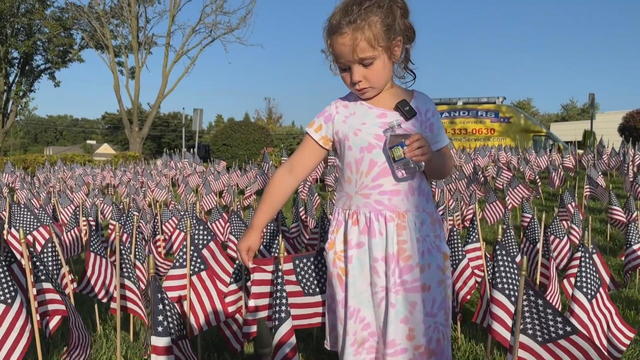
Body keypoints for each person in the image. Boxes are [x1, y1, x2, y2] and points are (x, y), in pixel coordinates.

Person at [238, 0, 454, 358]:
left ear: (395, 49)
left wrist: (429, 155)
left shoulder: (421, 108)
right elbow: (292, 170)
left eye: (366, 63)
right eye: (344, 68)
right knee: (364, 338)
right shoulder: (338, 113)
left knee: (416, 336)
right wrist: (256, 226)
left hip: (413, 243)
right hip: (359, 244)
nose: (356, 77)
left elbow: (445, 169)